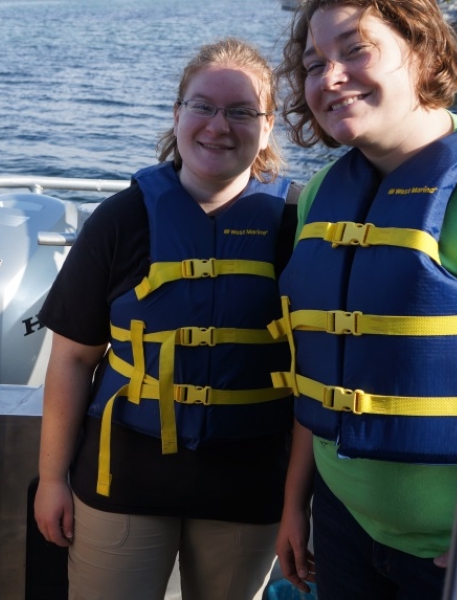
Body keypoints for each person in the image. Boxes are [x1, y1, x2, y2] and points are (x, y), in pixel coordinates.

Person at [33, 37, 298, 600]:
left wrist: (299, 502)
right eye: (202, 106)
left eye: (242, 111)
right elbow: (73, 359)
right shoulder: (120, 221)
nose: (218, 126)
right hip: (122, 479)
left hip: (249, 489)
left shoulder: (293, 228)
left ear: (268, 126)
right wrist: (52, 479)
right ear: (178, 116)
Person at [271, 1, 457, 598]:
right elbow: (321, 366)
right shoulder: (322, 195)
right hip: (342, 529)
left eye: (355, 49)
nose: (329, 77)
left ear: (425, 50)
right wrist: (295, 506)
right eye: (312, 63)